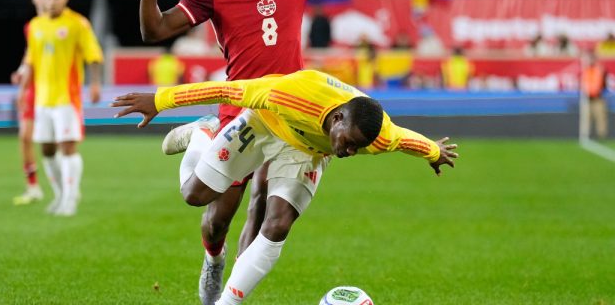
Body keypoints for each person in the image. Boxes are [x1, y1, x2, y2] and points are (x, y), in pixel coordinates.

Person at [138, 0, 366, 303]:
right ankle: (213, 256)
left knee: (266, 208)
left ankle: (231, 297)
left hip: (289, 112)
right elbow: (155, 30)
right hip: (240, 111)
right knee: (215, 218)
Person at [112, 69, 458, 304]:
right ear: (337, 119)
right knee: (194, 194)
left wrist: (434, 153)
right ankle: (204, 132)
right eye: (348, 142)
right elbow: (224, 89)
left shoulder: (379, 135)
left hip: (306, 151)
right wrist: (160, 99)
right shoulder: (292, 92)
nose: (349, 152)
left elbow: (410, 141)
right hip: (265, 124)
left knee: (277, 224)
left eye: (356, 148)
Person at [19, 0, 104, 216]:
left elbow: (93, 54)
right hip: (42, 100)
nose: (52, 1)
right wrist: (23, 91)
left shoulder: (78, 23)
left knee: (67, 148)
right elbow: (30, 62)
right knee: (46, 149)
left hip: (67, 98)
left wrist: (95, 84)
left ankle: (70, 199)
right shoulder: (35, 25)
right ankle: (59, 194)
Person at [12, 0, 46, 206]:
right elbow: (30, 55)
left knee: (53, 142)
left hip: (56, 88)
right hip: (35, 87)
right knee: (25, 136)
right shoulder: (31, 27)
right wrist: (22, 73)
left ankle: (66, 186)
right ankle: (32, 186)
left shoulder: (67, 24)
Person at [582, 50, 608, 140]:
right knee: (586, 118)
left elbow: (603, 83)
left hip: (598, 97)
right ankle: (585, 135)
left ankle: (602, 136)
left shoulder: (599, 70)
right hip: (587, 98)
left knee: (600, 117)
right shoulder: (585, 70)